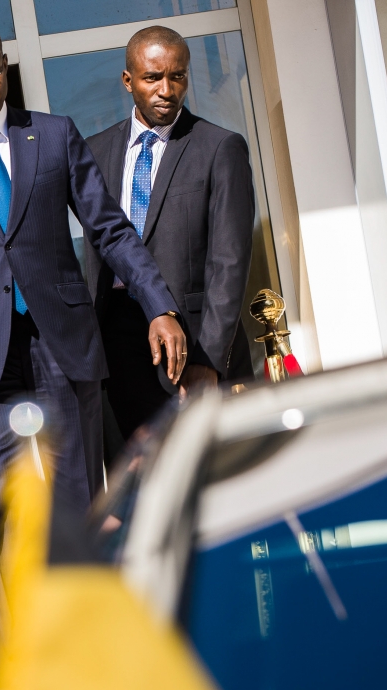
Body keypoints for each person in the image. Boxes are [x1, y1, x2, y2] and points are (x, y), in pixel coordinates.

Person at [0, 20, 183, 560]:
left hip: (61, 343)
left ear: (5, 68)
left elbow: (110, 229)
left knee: (79, 501)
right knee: (9, 509)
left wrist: (158, 305)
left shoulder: (53, 134)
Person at [85, 26, 255, 440]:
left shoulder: (220, 147)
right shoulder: (94, 152)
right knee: (144, 480)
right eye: (152, 78)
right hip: (119, 343)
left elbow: (229, 263)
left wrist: (210, 360)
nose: (167, 89)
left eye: (177, 76)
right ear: (128, 81)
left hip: (193, 343)